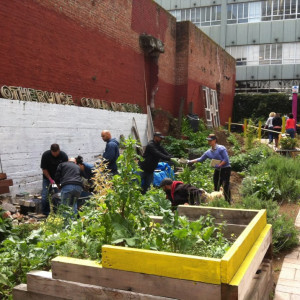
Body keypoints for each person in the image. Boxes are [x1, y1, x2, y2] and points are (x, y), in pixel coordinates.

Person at [188, 134, 231, 203]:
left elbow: (226, 159)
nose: (209, 142)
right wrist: (189, 161)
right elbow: (200, 159)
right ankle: (216, 201)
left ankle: (228, 202)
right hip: (217, 169)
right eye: (208, 141)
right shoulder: (209, 152)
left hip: (225, 169)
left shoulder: (221, 148)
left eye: (210, 141)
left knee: (225, 185)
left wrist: (220, 165)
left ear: (215, 140)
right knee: (216, 185)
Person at [40, 144, 68, 216]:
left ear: (59, 150)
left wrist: (59, 182)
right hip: (48, 178)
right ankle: (46, 212)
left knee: (59, 195)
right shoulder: (46, 155)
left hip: (58, 179)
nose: (55, 155)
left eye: (57, 153)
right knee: (45, 195)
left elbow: (65, 170)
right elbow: (44, 169)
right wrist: (50, 179)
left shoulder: (63, 156)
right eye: (53, 153)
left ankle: (58, 212)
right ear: (51, 151)